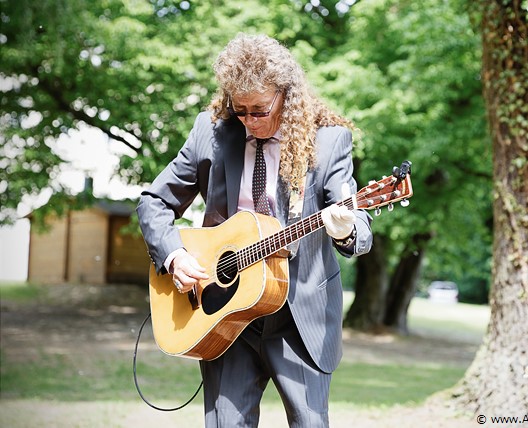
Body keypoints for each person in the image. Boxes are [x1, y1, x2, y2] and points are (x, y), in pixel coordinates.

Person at [137, 33, 373, 427]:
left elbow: (359, 226)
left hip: (301, 315)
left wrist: (346, 230)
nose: (249, 121)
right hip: (223, 308)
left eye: (260, 110)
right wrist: (175, 255)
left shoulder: (329, 140)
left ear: (287, 96)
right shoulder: (210, 132)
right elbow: (154, 202)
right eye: (240, 110)